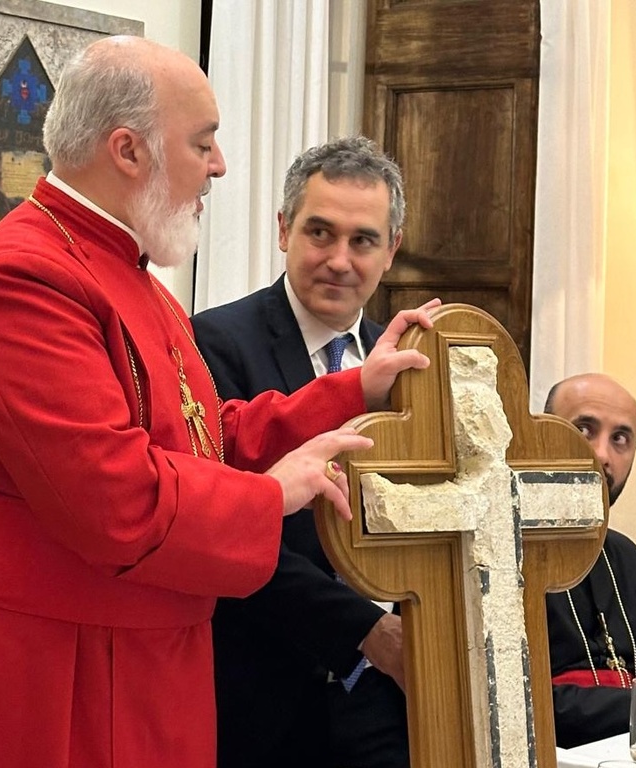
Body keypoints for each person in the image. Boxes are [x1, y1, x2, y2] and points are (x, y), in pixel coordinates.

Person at [0, 38, 439, 768]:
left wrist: (355, 388)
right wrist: (268, 498)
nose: (219, 165)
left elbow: (201, 435)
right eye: (203, 142)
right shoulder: (21, 278)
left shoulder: (126, 270)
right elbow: (116, 496)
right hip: (31, 665)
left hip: (129, 653)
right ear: (129, 150)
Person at [192, 137, 410, 768]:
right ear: (283, 230)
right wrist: (366, 631)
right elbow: (228, 527)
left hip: (392, 699)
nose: (340, 260)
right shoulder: (212, 343)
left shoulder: (411, 369)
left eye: (363, 240)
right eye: (320, 232)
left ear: (392, 249)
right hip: (264, 694)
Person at [543, 373, 636, 748]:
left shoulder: (626, 557)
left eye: (620, 439)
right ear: (540, 434)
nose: (601, 455)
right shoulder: (487, 555)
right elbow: (513, 700)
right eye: (583, 430)